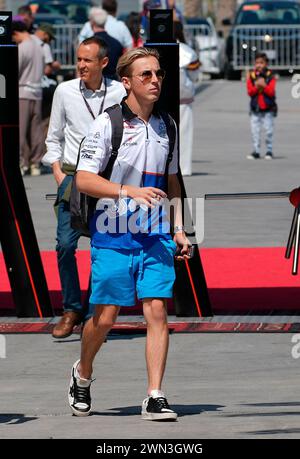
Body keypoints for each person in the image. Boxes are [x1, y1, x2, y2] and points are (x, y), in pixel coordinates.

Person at [68, 47, 192, 420]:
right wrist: (127, 191)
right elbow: (84, 179)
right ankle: (83, 373)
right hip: (112, 231)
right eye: (146, 76)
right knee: (105, 317)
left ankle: (155, 394)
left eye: (158, 74)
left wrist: (181, 228)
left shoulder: (167, 125)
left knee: (156, 311)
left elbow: (172, 181)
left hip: (154, 234)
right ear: (126, 82)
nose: (155, 81)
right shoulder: (108, 124)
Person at [42, 37, 126, 339]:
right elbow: (53, 137)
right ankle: (70, 308)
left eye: (87, 60)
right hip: (72, 178)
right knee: (65, 245)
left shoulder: (119, 91)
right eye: (78, 59)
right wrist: (57, 171)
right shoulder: (64, 91)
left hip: (105, 180)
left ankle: (93, 310)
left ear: (103, 63)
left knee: (102, 247)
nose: (80, 65)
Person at [12, 20, 45, 176]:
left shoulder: (21, 48)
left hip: (22, 92)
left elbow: (14, 72)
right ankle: (35, 163)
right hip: (37, 92)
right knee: (36, 129)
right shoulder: (39, 47)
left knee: (20, 130)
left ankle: (21, 162)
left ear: (15, 33)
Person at [174, 21, 200, 176]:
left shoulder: (152, 49)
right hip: (183, 98)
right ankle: (183, 168)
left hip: (159, 98)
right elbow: (195, 75)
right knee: (183, 133)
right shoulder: (187, 51)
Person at [246, 52, 277, 160]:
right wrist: (256, 86)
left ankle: (269, 150)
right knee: (255, 130)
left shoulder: (270, 76)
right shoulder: (251, 75)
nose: (259, 65)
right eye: (257, 63)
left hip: (268, 108)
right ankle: (256, 150)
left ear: (266, 64)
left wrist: (264, 85)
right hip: (255, 108)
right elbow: (250, 92)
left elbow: (272, 92)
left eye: (262, 63)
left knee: (269, 130)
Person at [90, 7, 123, 79]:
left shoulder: (89, 45)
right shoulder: (116, 43)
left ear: (92, 22)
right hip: (113, 81)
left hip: (94, 82)